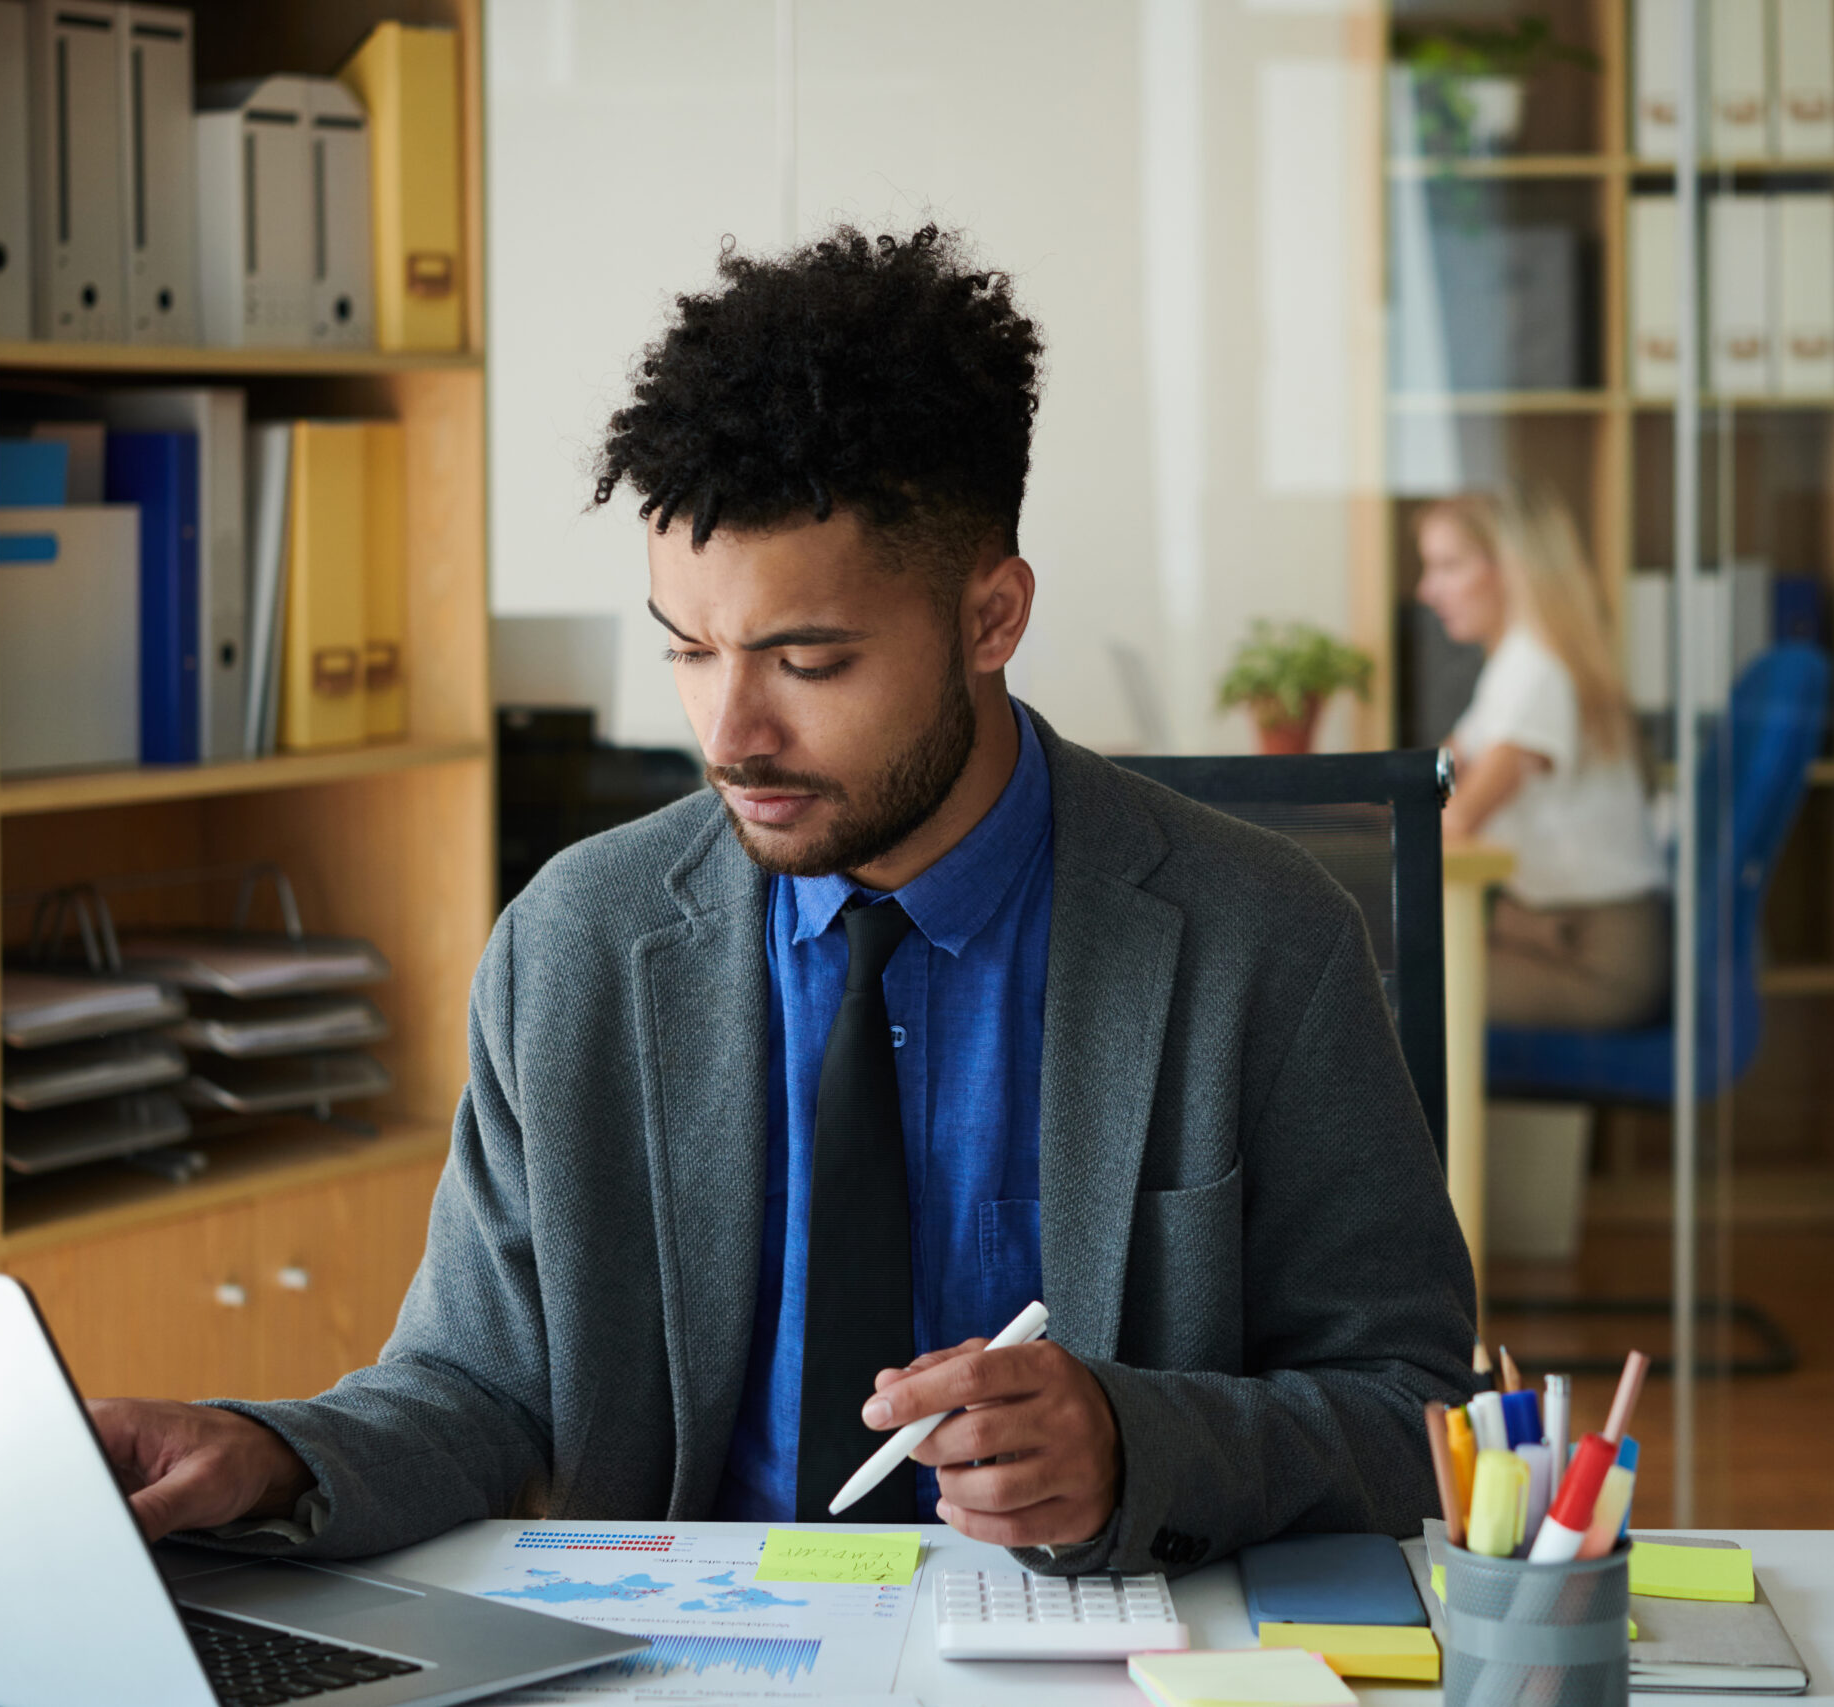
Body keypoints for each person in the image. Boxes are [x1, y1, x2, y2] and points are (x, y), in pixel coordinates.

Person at [88, 226, 1474, 1577]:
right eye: (691, 647)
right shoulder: (574, 945)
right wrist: (270, 1451)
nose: (729, 728)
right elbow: (478, 1387)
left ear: (991, 618)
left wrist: (1139, 1440)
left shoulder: (1262, 940)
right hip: (684, 1651)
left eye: (806, 659)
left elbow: (1419, 1413)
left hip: (1095, 1657)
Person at [1415, 487, 1670, 1030]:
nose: (1426, 590)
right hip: (1551, 941)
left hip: (1593, 960)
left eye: (1448, 566)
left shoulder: (1538, 673)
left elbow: (1459, 816)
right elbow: (1431, 776)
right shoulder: (1511, 668)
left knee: (1381, 995)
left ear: (1510, 569)